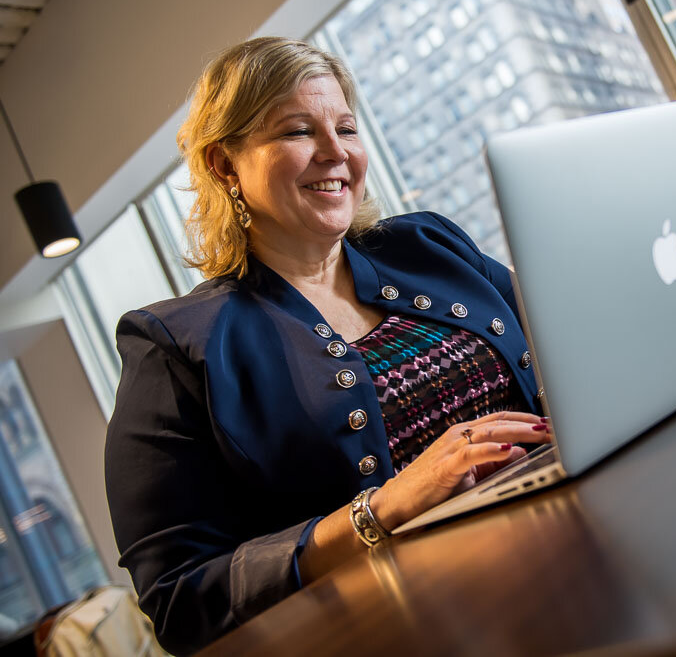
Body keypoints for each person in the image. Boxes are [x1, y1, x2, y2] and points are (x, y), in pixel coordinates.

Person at [104, 37, 551, 655]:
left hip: (566, 544)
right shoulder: (174, 345)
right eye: (297, 131)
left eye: (345, 127)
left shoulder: (429, 244)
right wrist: (380, 509)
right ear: (224, 166)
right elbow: (180, 600)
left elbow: (568, 348)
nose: (336, 152)